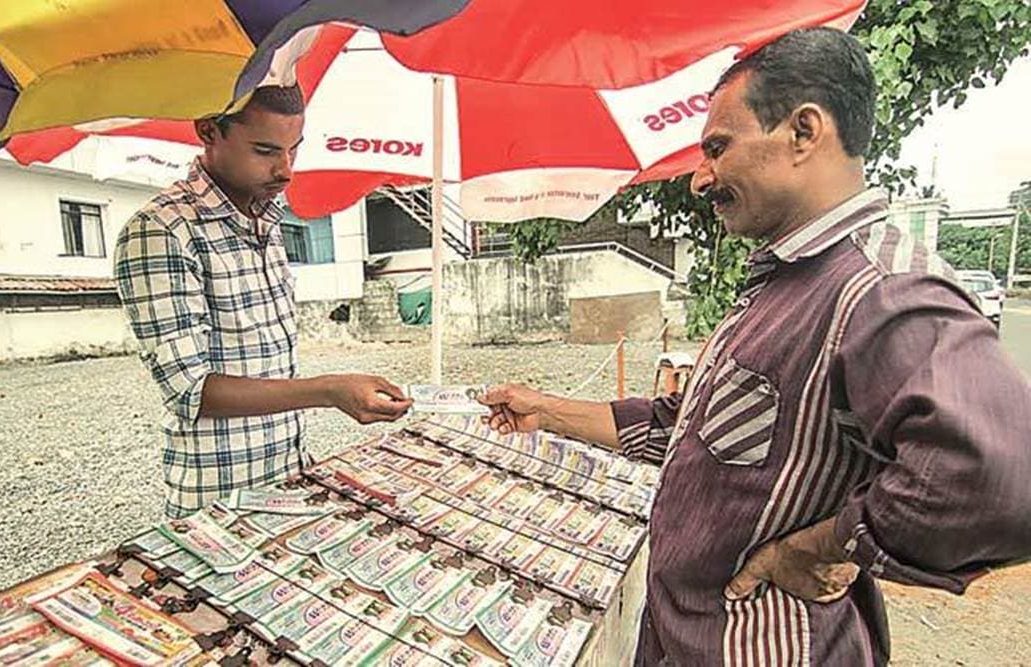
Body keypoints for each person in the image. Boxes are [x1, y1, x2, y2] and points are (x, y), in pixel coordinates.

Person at [482, 28, 1031, 665]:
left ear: (804, 132)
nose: (700, 178)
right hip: (680, 639)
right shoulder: (787, 281)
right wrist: (546, 411)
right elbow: (685, 429)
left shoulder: (878, 287)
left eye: (718, 147)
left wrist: (823, 545)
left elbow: (1004, 482)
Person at [114, 85, 410, 519]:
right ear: (209, 131)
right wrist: (329, 390)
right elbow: (190, 390)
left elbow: (266, 365)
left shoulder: (266, 219)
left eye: (294, 149)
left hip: (288, 478)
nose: (286, 170)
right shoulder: (161, 231)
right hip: (218, 500)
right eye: (266, 150)